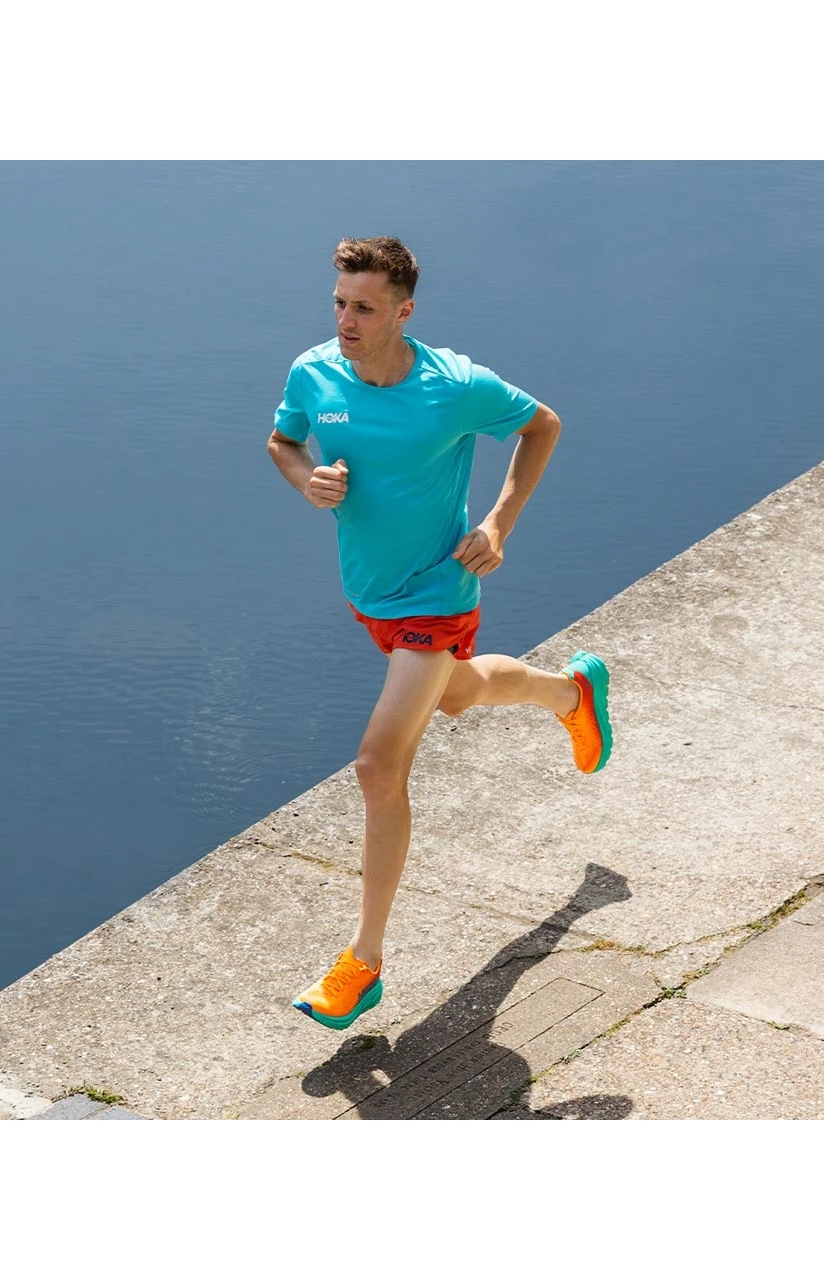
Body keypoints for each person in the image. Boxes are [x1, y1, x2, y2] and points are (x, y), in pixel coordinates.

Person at [267, 236, 612, 1030]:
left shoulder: (453, 386)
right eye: (340, 303)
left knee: (378, 764)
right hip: (372, 595)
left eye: (364, 308)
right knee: (456, 695)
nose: (346, 322)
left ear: (403, 312)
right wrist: (306, 479)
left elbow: (543, 425)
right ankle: (571, 693)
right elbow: (283, 441)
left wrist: (498, 523)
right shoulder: (313, 373)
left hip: (437, 593)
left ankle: (364, 962)